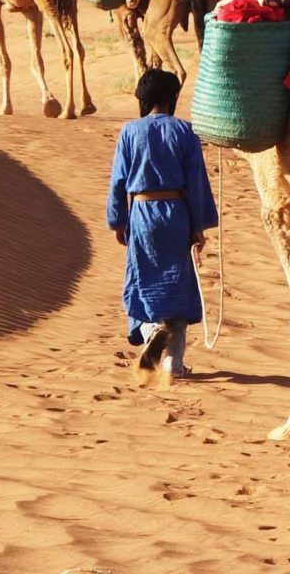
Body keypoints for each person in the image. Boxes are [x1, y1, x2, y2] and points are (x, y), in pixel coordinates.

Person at [106, 69, 219, 383]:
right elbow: (197, 182)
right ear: (172, 98)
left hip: (141, 212)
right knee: (179, 285)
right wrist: (199, 227)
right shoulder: (185, 132)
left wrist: (117, 220)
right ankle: (174, 364)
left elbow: (118, 181)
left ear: (143, 100)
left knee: (140, 279)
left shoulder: (129, 132)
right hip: (177, 213)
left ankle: (150, 328)